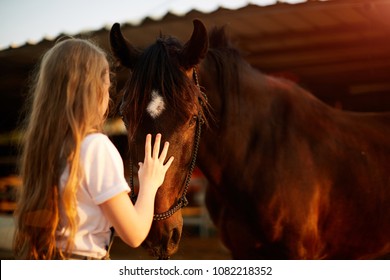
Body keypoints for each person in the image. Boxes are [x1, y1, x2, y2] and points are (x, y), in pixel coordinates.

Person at [13, 38, 174, 260]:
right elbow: (134, 234)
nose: (108, 99)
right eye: (107, 88)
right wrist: (149, 183)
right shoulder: (95, 148)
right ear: (93, 91)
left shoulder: (46, 148)